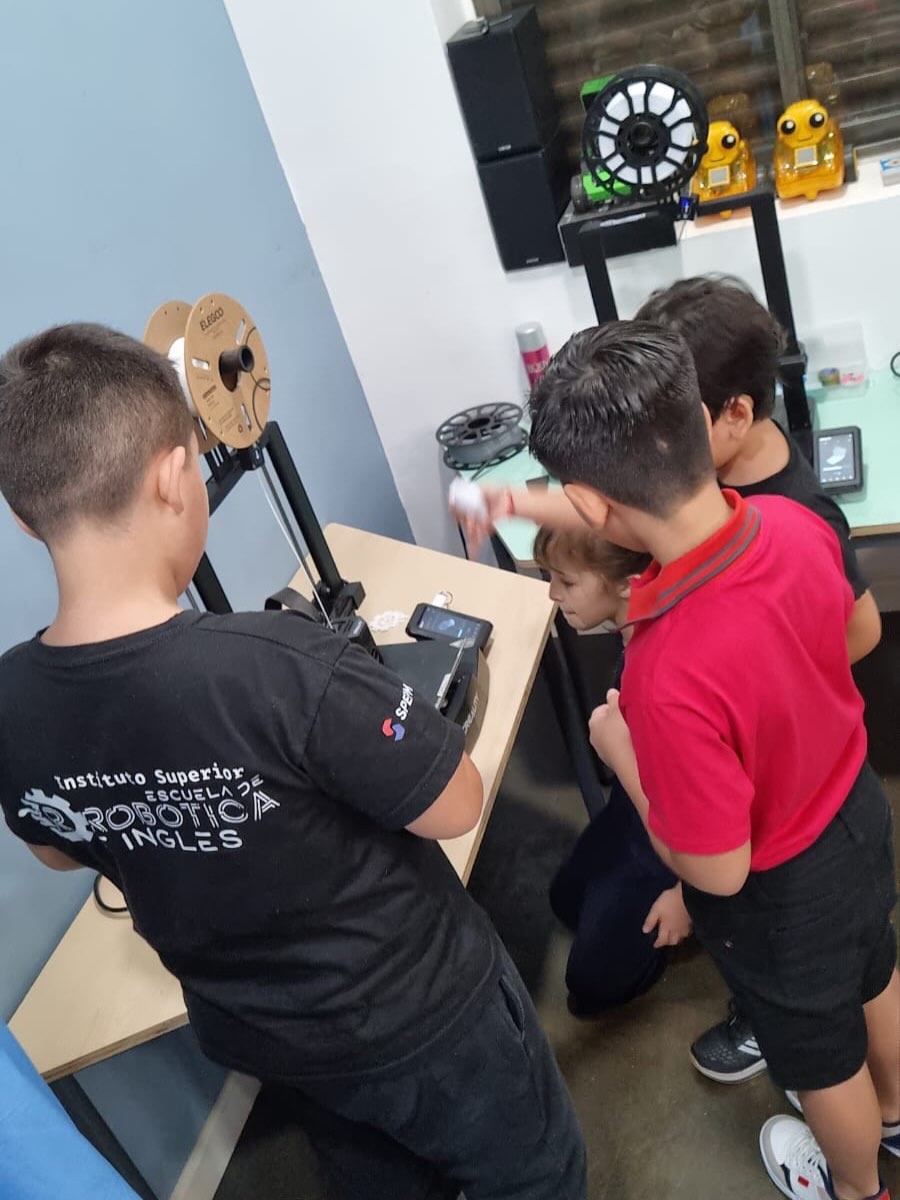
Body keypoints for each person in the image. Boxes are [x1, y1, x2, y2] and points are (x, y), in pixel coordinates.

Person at [0, 324, 586, 1200]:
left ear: (23, 513)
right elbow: (457, 804)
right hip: (423, 1014)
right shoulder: (283, 664)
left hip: (266, 1038)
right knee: (532, 1174)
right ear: (174, 477)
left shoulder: (11, 698)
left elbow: (57, 846)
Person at [452, 275, 883, 1084]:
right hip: (763, 796)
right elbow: (613, 504)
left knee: (811, 1025)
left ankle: (806, 1075)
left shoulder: (770, 542)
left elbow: (722, 862)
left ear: (730, 415)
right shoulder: (713, 500)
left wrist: (638, 759)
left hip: (753, 828)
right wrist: (516, 501)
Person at [529, 319, 899, 1200]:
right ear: (701, 419)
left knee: (820, 1060)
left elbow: (717, 870)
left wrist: (626, 757)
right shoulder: (793, 521)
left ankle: (857, 1187)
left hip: (782, 893)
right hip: (857, 813)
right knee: (875, 972)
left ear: (591, 507)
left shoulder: (664, 676)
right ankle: (895, 1113)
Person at [533, 526, 691, 1017]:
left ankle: (691, 926)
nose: (553, 594)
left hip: (673, 838)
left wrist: (687, 895)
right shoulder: (636, 630)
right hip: (633, 811)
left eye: (566, 582)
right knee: (565, 901)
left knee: (588, 987)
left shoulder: (670, 678)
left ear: (627, 584)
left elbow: (703, 812)